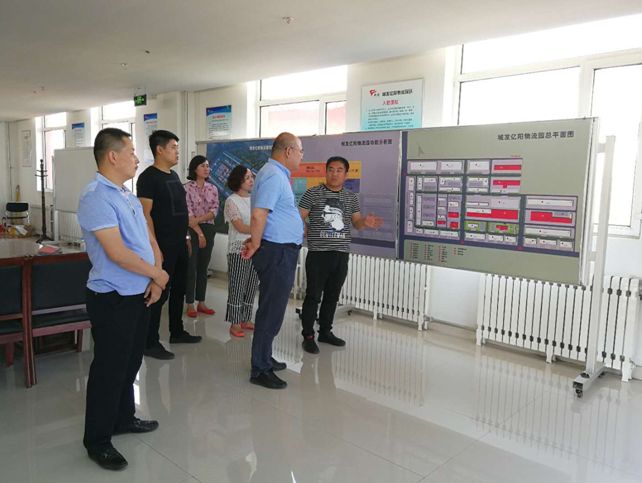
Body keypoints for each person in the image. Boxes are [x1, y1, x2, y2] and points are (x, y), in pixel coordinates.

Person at [77, 128, 168, 470]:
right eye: (131, 152)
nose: (136, 158)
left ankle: (123, 418)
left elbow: (148, 237)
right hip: (112, 297)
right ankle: (98, 440)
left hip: (139, 293)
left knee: (130, 363)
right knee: (109, 369)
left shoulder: (127, 195)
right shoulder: (96, 197)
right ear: (112, 156)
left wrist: (156, 275)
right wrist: (157, 274)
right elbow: (116, 253)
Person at [299, 156, 383, 354]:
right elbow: (298, 216)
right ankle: (308, 335)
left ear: (346, 174)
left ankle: (325, 331)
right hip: (318, 254)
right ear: (326, 171)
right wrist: (304, 227)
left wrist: (365, 222)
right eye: (331, 169)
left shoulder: (350, 197)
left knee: (332, 295)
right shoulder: (313, 193)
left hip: (341, 254)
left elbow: (356, 223)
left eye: (339, 170)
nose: (334, 174)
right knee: (313, 296)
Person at [242, 132, 304, 389]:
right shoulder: (274, 175)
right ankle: (260, 369)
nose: (301, 156)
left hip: (280, 250)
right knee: (271, 310)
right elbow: (258, 214)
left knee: (273, 307)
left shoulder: (274, 174)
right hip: (276, 251)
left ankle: (264, 356)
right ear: (288, 151)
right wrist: (256, 243)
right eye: (300, 151)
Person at [137, 130, 201, 360]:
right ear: (160, 149)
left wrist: (186, 238)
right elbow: (145, 215)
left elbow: (181, 211)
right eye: (173, 147)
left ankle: (177, 331)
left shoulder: (173, 175)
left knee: (180, 288)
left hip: (179, 242)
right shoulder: (148, 178)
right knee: (159, 292)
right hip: (162, 246)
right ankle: (149, 341)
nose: (177, 151)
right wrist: (154, 248)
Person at [224, 165, 259, 338]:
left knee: (251, 285)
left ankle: (246, 318)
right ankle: (235, 322)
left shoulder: (256, 199)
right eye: (247, 178)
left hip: (256, 247)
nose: (251, 180)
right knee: (238, 286)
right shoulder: (231, 201)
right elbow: (239, 226)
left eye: (252, 177)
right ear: (238, 181)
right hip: (239, 249)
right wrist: (259, 230)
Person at [184, 155, 219, 318]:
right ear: (195, 169)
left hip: (208, 228)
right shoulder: (186, 188)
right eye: (203, 166)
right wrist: (199, 232)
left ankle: (201, 302)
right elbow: (188, 214)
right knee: (191, 266)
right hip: (191, 230)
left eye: (207, 166)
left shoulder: (213, 188)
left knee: (203, 267)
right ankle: (190, 303)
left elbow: (214, 211)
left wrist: (199, 221)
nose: (207, 168)